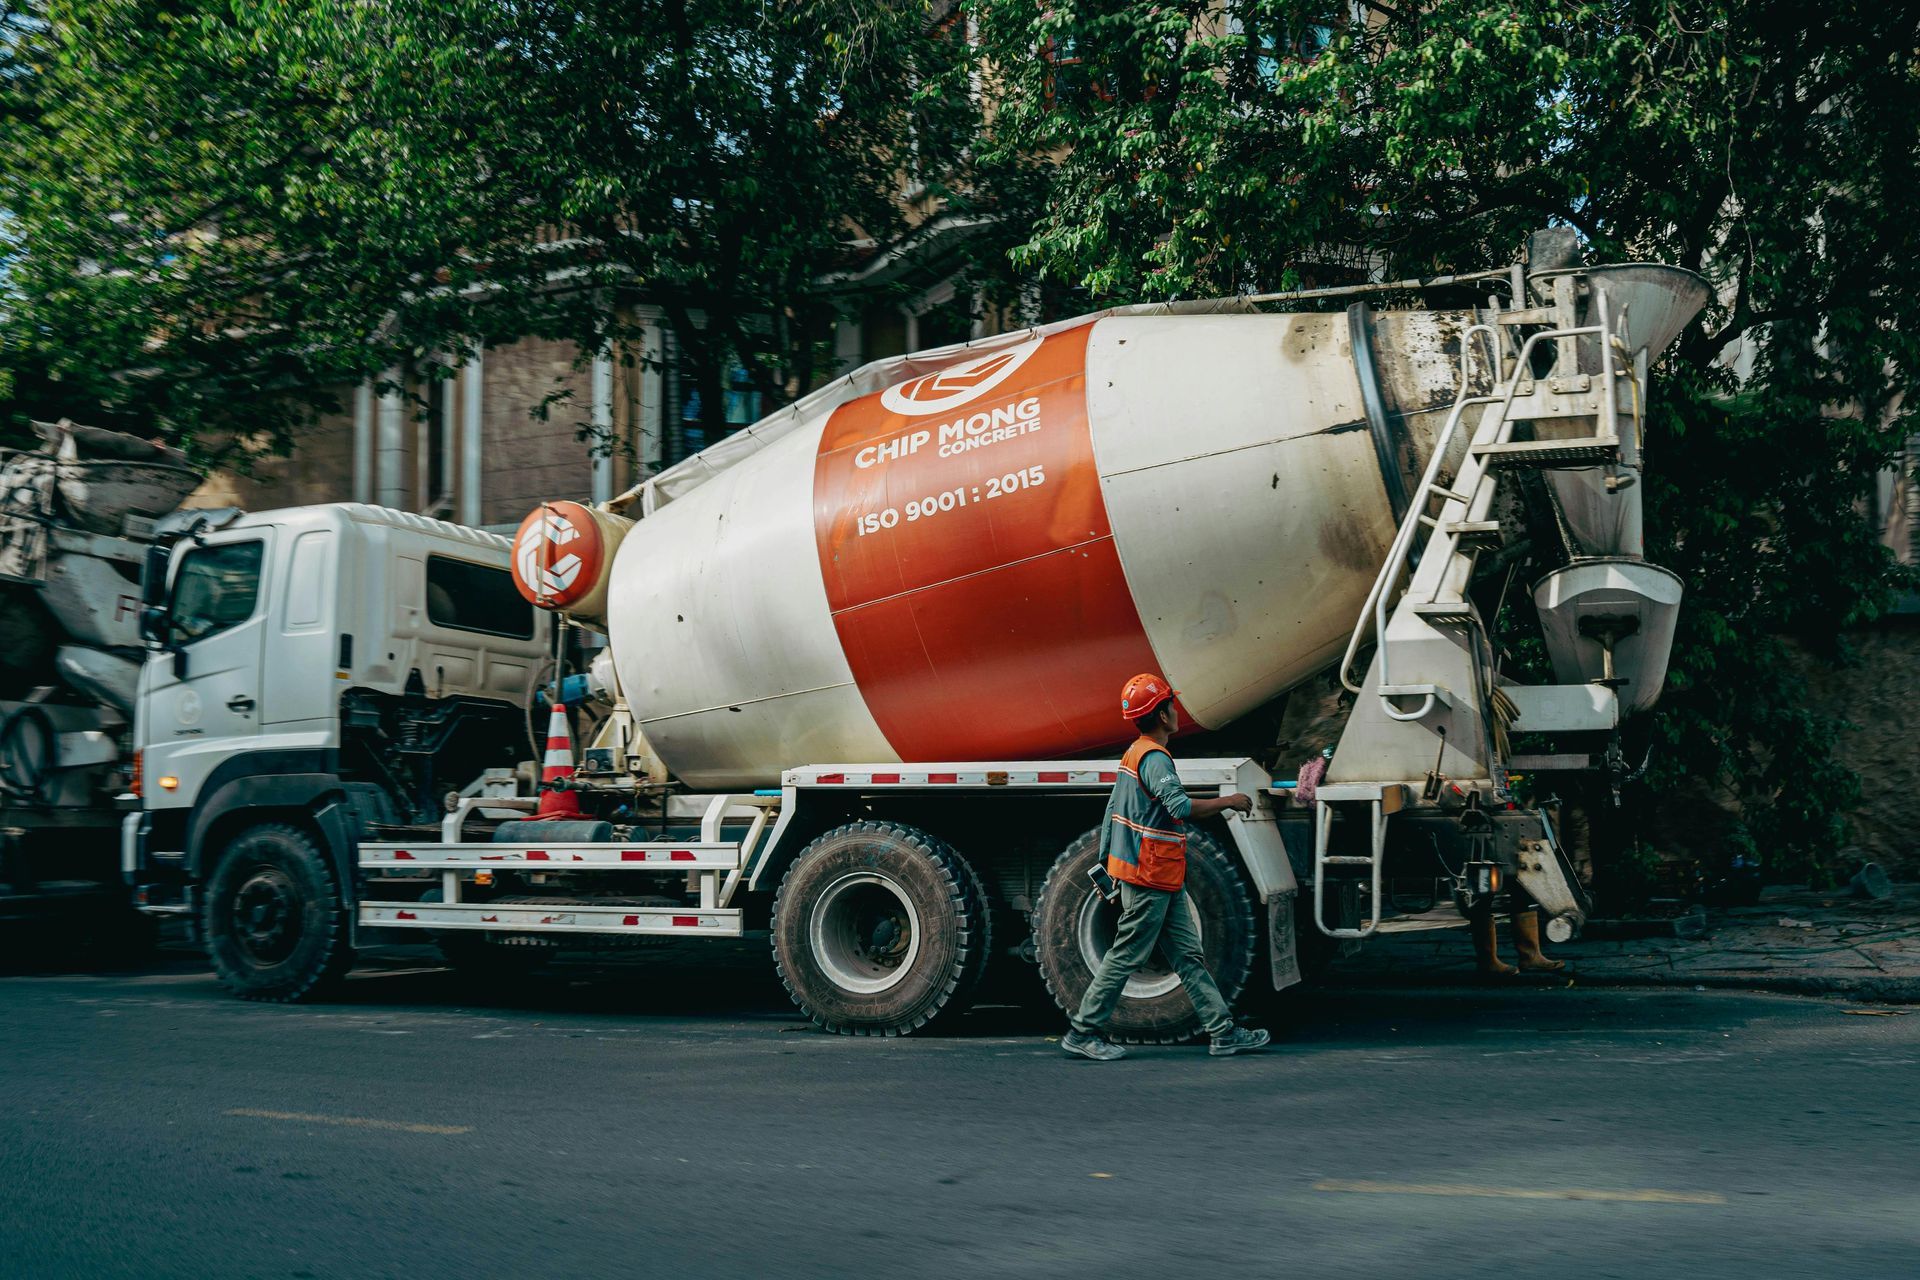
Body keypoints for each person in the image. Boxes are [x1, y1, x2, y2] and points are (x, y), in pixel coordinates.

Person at [1061, 673, 1273, 1062]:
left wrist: (1105, 861)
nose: (1176, 711)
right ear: (1162, 714)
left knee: (1188, 956)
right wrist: (1229, 802)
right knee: (1126, 954)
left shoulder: (1133, 754)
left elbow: (1113, 812)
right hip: (1149, 877)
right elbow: (1178, 807)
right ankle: (1083, 1031)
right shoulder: (1155, 759)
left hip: (1159, 877)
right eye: (1171, 706)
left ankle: (1223, 1032)